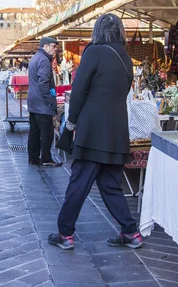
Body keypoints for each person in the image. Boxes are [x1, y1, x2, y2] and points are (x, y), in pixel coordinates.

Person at [48, 13, 143, 251]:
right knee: (110, 183)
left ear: (98, 30)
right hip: (116, 131)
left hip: (93, 131)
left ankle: (65, 233)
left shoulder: (93, 52)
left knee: (79, 181)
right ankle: (131, 232)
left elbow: (78, 91)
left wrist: (70, 123)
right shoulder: (125, 57)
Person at [27, 37, 62, 168]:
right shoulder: (44, 60)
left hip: (34, 102)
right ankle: (46, 158)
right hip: (42, 103)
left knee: (34, 132)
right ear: (46, 46)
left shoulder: (36, 57)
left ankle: (33, 157)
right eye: (53, 46)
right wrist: (50, 101)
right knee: (47, 132)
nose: (55, 49)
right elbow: (44, 83)